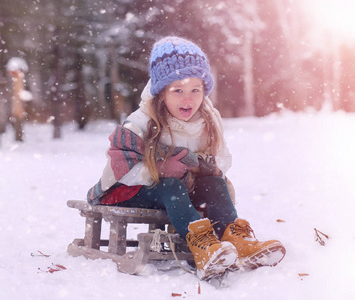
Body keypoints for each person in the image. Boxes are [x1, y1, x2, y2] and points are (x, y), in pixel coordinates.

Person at [87, 36, 285, 280]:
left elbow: (223, 157)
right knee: (170, 186)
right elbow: (121, 167)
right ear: (161, 92)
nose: (187, 99)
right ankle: (202, 246)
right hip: (134, 189)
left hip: (183, 187)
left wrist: (206, 168)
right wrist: (158, 170)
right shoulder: (141, 122)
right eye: (178, 90)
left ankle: (237, 240)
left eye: (195, 90)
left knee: (215, 183)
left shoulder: (208, 120)